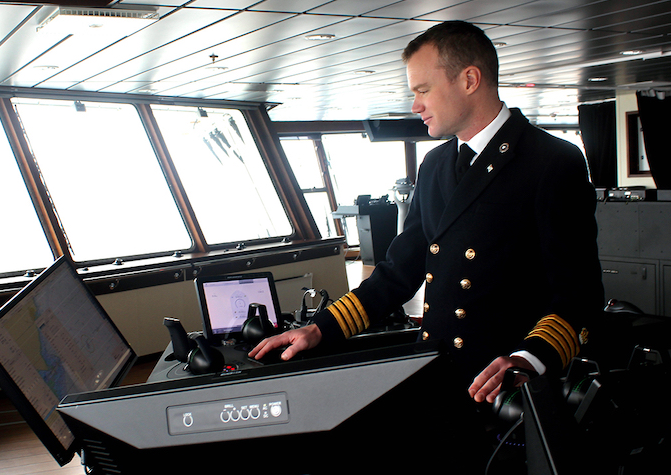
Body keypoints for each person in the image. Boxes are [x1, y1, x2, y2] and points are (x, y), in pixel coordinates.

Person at [251, 20, 604, 403]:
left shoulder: (551, 162)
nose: (415, 105)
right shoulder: (434, 164)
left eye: (423, 90)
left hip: (505, 390)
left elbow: (578, 294)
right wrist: (321, 328)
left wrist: (530, 360)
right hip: (437, 373)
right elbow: (400, 270)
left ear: (469, 80)